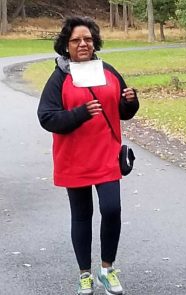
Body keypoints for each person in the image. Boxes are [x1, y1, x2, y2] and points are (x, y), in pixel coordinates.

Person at [37, 16, 139, 295]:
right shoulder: (60, 77)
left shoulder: (107, 71)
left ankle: (107, 270)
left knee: (112, 209)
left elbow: (121, 111)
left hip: (106, 153)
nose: (83, 44)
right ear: (66, 46)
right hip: (74, 158)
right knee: (82, 216)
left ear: (95, 42)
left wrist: (131, 102)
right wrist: (80, 114)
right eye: (76, 40)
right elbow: (46, 117)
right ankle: (85, 275)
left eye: (88, 39)